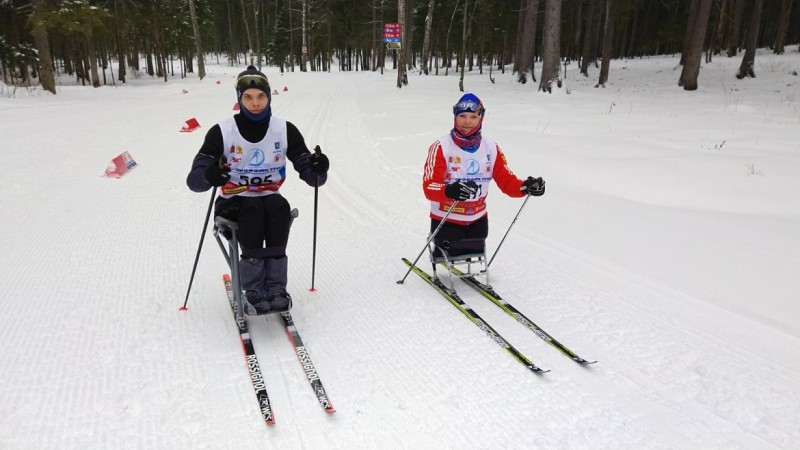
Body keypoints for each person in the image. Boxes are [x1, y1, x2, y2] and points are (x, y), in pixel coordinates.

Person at [186, 65, 329, 315]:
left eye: (260, 96)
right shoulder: (222, 131)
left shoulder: (284, 129)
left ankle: (275, 287)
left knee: (278, 206)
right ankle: (252, 288)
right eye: (248, 97)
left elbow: (310, 172)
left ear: (269, 97)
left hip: (269, 197)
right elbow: (195, 181)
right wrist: (209, 174)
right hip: (233, 200)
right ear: (239, 99)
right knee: (252, 208)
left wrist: (318, 169)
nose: (255, 103)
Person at [422, 93, 544, 258]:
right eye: (462, 116)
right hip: (447, 219)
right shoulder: (441, 147)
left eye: (473, 117)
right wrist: (449, 190)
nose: (467, 122)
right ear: (455, 117)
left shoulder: (491, 147)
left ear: (481, 118)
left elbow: (507, 181)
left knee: (473, 254)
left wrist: (526, 187)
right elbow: (430, 186)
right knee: (448, 255)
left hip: (478, 220)